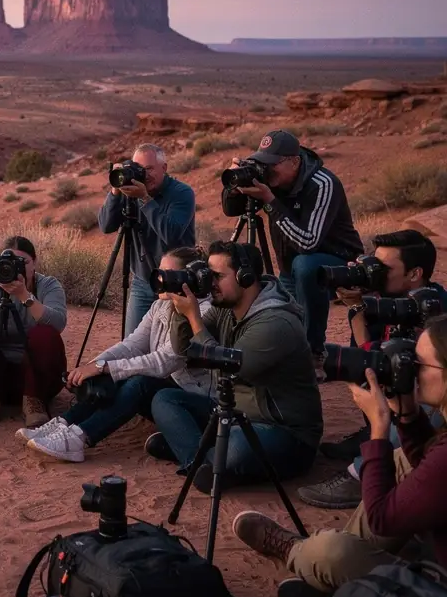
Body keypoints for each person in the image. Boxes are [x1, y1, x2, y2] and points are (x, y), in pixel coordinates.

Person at [232, 314, 447, 597]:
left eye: (420, 364)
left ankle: (304, 557)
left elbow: (382, 519)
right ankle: (329, 579)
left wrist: (379, 428)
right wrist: (409, 415)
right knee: (401, 461)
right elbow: (428, 462)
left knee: (332, 552)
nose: (410, 370)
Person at [148, 241, 323, 493]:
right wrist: (181, 311)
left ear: (245, 277)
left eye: (218, 276)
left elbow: (227, 371)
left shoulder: (276, 321)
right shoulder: (225, 309)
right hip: (235, 415)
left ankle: (196, 454)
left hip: (284, 432)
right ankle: (205, 461)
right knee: (165, 400)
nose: (210, 283)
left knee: (237, 448)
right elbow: (183, 350)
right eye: (208, 274)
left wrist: (194, 318)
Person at [21, 246, 213, 463]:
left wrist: (104, 368)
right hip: (168, 394)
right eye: (160, 271)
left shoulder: (203, 312)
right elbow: (132, 345)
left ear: (187, 279)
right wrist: (95, 365)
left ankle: (79, 438)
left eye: (168, 274)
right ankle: (65, 423)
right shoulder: (161, 305)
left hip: (194, 401)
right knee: (119, 372)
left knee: (137, 381)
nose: (159, 279)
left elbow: (165, 361)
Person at [300, 229, 447, 509]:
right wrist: (357, 307)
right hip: (407, 404)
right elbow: (369, 357)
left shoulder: (437, 313)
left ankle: (361, 472)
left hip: (434, 406)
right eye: (373, 264)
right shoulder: (386, 302)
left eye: (384, 269)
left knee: (420, 389)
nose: (374, 274)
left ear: (414, 274)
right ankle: (374, 433)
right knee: (370, 365)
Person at [222, 129, 362, 367]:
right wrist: (234, 188)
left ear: (295, 162)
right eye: (262, 163)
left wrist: (270, 201)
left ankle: (314, 353)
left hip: (338, 263)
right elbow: (230, 210)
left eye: (272, 164)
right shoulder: (271, 180)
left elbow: (308, 243)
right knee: (286, 320)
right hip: (291, 268)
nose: (266, 169)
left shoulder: (322, 183)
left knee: (305, 265)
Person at [0, 235, 68, 428]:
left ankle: (33, 401)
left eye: (22, 262)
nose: (15, 268)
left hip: (39, 377)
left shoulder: (48, 285)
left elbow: (58, 323)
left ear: (34, 262)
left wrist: (24, 295)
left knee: (45, 334)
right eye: (8, 263)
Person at [98, 143, 196, 334]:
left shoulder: (182, 193)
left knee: (173, 342)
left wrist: (144, 199)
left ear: (164, 168)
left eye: (149, 168)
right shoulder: (131, 192)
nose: (144, 174)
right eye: (139, 168)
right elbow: (106, 226)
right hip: (143, 281)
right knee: (133, 341)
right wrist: (115, 191)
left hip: (175, 281)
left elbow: (171, 234)